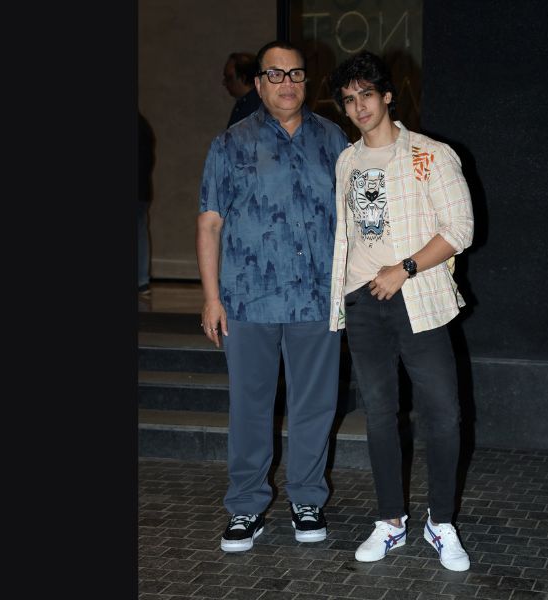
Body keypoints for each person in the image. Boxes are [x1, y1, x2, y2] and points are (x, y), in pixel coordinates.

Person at [196, 40, 349, 553]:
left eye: (296, 74)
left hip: (316, 298)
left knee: (315, 406)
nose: (287, 83)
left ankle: (307, 499)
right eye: (275, 74)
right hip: (247, 300)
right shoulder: (229, 144)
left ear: (307, 80)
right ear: (259, 84)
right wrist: (211, 298)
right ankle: (245, 506)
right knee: (249, 407)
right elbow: (209, 224)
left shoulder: (334, 140)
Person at [328, 51, 474, 571]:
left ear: (387, 96)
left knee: (444, 415)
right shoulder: (346, 161)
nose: (359, 106)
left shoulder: (430, 155)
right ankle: (390, 521)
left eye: (367, 94)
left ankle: (441, 522)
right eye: (349, 99)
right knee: (379, 415)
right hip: (363, 302)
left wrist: (404, 269)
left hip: (419, 299)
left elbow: (460, 230)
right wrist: (349, 294)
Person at [138, 111, 155, 296]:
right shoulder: (143, 125)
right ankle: (142, 281)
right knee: (141, 232)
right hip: (142, 189)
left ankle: (141, 280)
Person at [222, 52, 262, 128]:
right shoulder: (244, 103)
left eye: (229, 78)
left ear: (243, 78)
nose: (224, 82)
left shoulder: (256, 107)